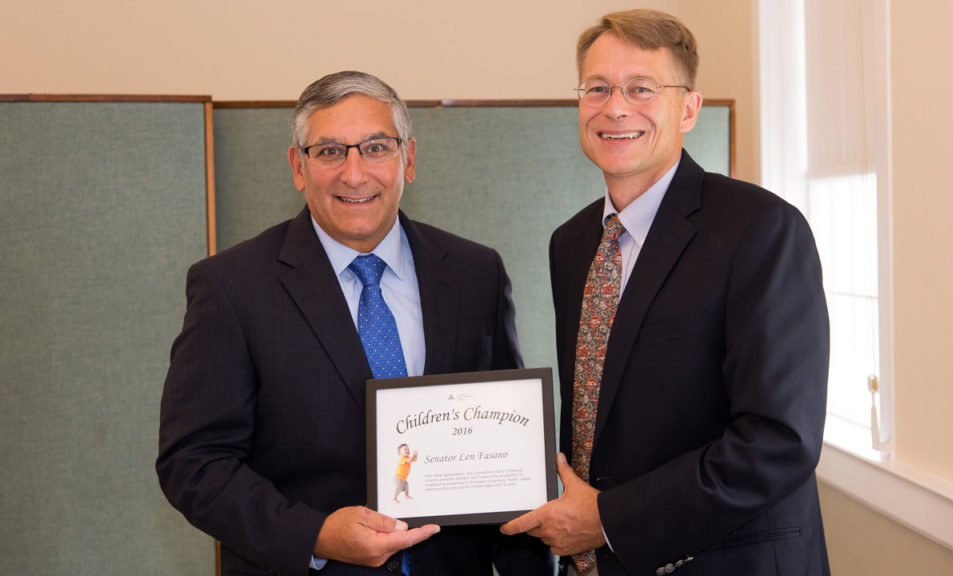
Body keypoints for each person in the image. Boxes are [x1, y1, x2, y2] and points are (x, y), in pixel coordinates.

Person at [157, 71, 554, 576]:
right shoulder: (232, 287)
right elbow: (194, 463)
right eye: (328, 151)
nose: (353, 173)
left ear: (408, 158)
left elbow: (506, 456)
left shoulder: (476, 273)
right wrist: (316, 536)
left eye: (375, 148)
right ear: (297, 167)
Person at [501, 9, 831, 576]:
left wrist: (608, 519)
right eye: (597, 88)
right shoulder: (572, 243)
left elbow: (779, 441)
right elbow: (595, 415)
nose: (615, 107)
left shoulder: (762, 229)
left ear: (688, 108)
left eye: (641, 88)